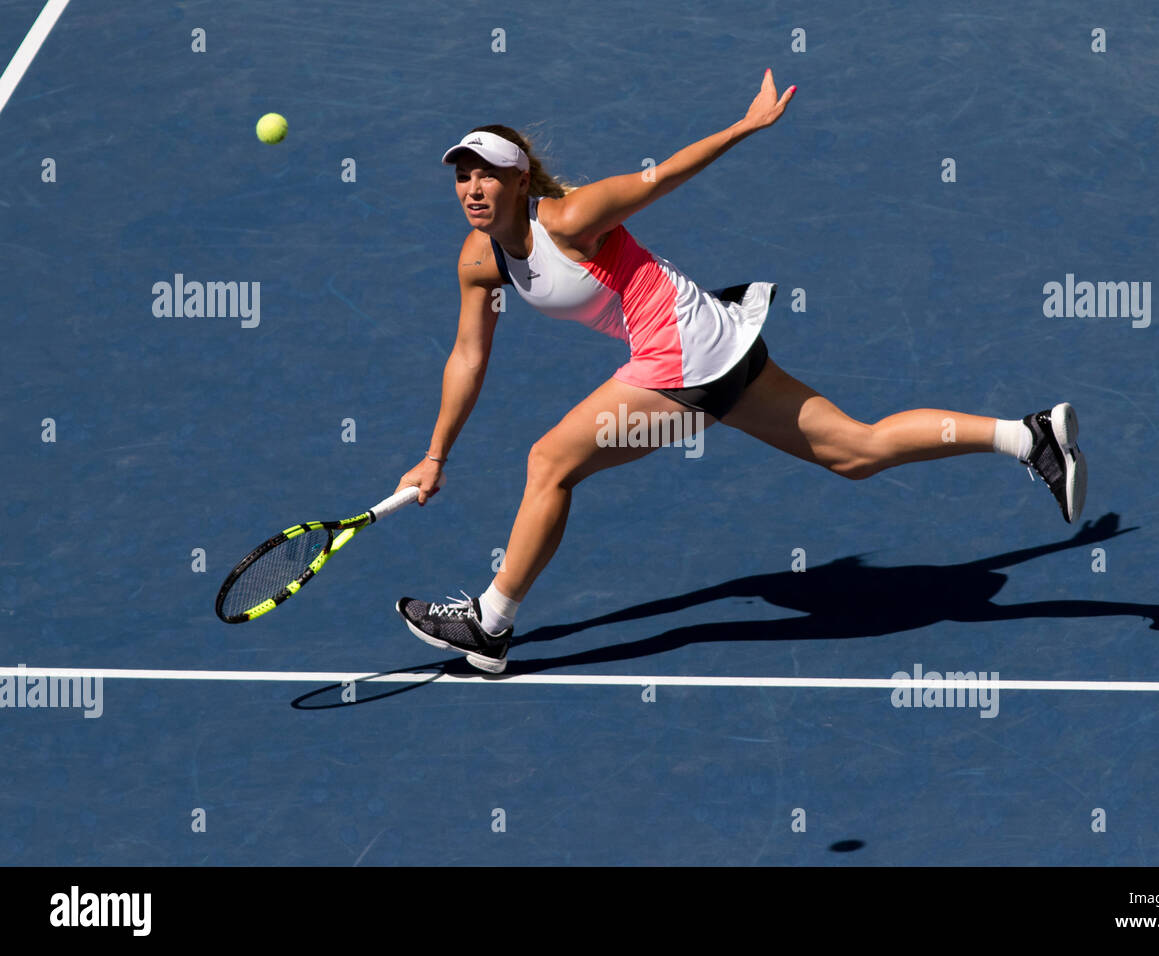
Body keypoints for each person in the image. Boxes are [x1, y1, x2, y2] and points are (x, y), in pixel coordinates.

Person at [393, 69, 1086, 674]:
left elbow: (660, 176)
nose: (472, 187)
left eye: (486, 173)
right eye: (462, 174)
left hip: (683, 354)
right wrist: (434, 455)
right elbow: (468, 355)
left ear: (520, 180)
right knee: (857, 451)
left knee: (550, 462)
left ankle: (491, 622)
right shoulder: (479, 261)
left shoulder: (570, 218)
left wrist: (745, 126)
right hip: (716, 339)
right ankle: (1030, 437)